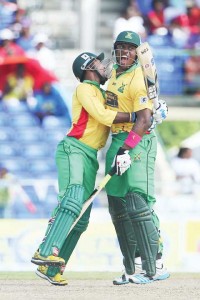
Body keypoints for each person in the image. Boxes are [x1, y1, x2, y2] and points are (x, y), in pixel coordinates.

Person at [31, 50, 139, 285]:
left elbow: (120, 104)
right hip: (74, 148)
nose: (104, 66)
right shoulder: (84, 89)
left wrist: (146, 109)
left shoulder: (101, 92)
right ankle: (45, 250)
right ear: (89, 68)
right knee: (73, 197)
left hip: (91, 155)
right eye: (99, 63)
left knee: (81, 218)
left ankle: (52, 269)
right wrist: (135, 114)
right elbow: (102, 115)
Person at [104, 30, 170, 284]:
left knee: (139, 202)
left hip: (137, 140)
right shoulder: (112, 75)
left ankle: (157, 259)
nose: (123, 52)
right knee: (120, 204)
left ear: (137, 53)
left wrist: (126, 149)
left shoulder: (138, 79)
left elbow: (144, 120)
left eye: (129, 48)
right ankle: (134, 265)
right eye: (119, 47)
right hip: (117, 138)